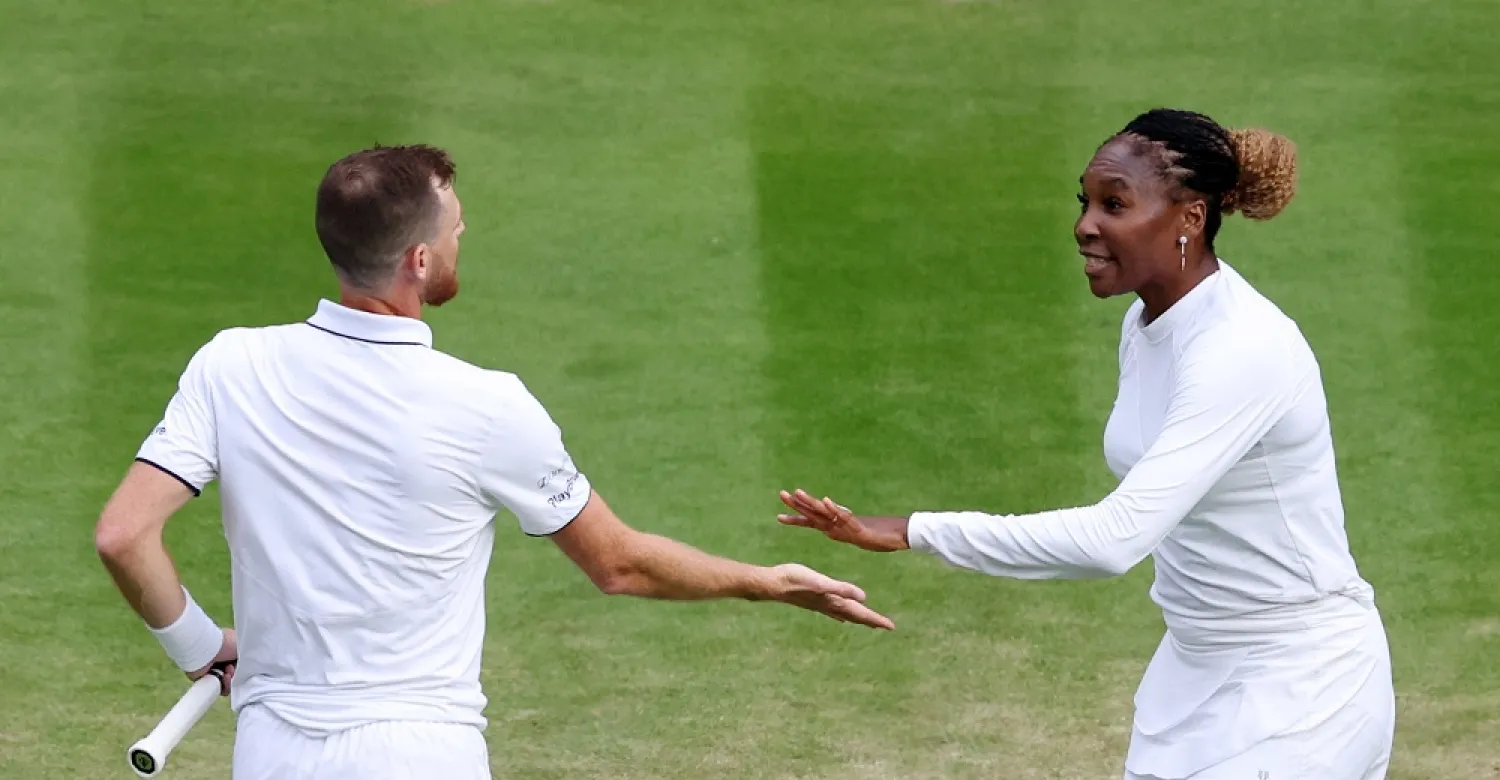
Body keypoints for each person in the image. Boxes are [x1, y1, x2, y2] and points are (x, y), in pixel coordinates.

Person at [94, 143, 893, 780]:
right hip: (423, 756)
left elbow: (125, 536)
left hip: (272, 754)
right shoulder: (488, 405)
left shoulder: (229, 366)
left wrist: (201, 647)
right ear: (416, 260)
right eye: (454, 230)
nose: (460, 238)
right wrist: (770, 582)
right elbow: (620, 566)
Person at [776, 108, 1395, 779]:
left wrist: (912, 530)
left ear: (1190, 217)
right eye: (1086, 201)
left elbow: (1112, 541)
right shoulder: (1146, 321)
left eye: (1115, 204)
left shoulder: (1241, 348)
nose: (1085, 225)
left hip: (1301, 691)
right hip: (1195, 671)